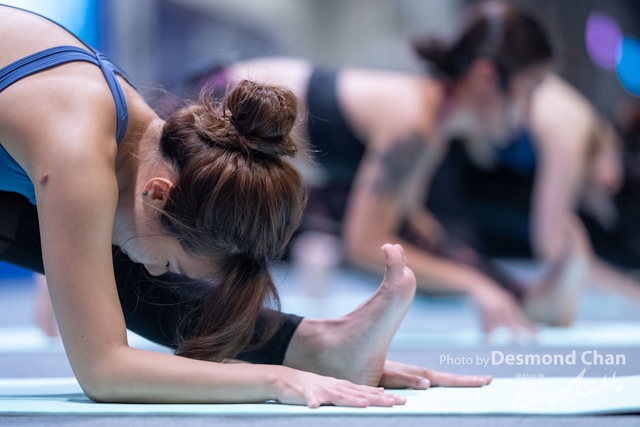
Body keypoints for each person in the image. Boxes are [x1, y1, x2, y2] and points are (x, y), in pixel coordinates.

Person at [0, 5, 491, 406]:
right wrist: (275, 379)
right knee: (130, 263)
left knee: (132, 257)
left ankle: (317, 345)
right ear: (158, 194)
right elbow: (104, 371)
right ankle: (314, 347)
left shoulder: (134, 134)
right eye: (170, 265)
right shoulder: (79, 147)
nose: (155, 273)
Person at [194, 1, 593, 334]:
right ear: (486, 75)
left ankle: (526, 296)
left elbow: (411, 226)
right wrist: (475, 286)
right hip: (214, 108)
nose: (530, 112)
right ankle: (526, 297)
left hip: (227, 107)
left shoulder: (434, 121)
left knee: (426, 235)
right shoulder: (415, 123)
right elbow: (365, 245)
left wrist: (487, 283)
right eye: (530, 88)